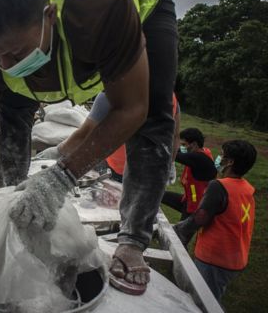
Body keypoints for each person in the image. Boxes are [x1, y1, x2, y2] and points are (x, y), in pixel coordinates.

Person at [0, 0, 178, 296]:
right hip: (57, 34)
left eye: (14, 54)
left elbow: (130, 108)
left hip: (144, 8)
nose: (4, 65)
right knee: (10, 110)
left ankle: (133, 239)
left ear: (49, 15)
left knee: (153, 116)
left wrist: (61, 177)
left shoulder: (99, 5)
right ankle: (13, 204)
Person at [174, 140, 257, 302]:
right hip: (236, 258)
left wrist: (177, 230)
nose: (219, 159)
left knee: (201, 302)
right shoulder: (247, 188)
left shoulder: (219, 186)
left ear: (230, 162)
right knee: (213, 297)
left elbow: (201, 217)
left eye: (223, 156)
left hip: (215, 258)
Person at [38, 93, 180, 183]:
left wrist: (58, 151)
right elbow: (174, 137)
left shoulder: (112, 95)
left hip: (117, 170)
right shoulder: (169, 97)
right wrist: (171, 163)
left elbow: (84, 134)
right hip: (151, 173)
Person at [162, 128, 216, 220]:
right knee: (159, 195)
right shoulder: (200, 153)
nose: (182, 147)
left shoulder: (199, 158)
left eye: (184, 144)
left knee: (180, 234)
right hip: (188, 201)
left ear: (194, 144)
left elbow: (174, 155)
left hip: (196, 209)